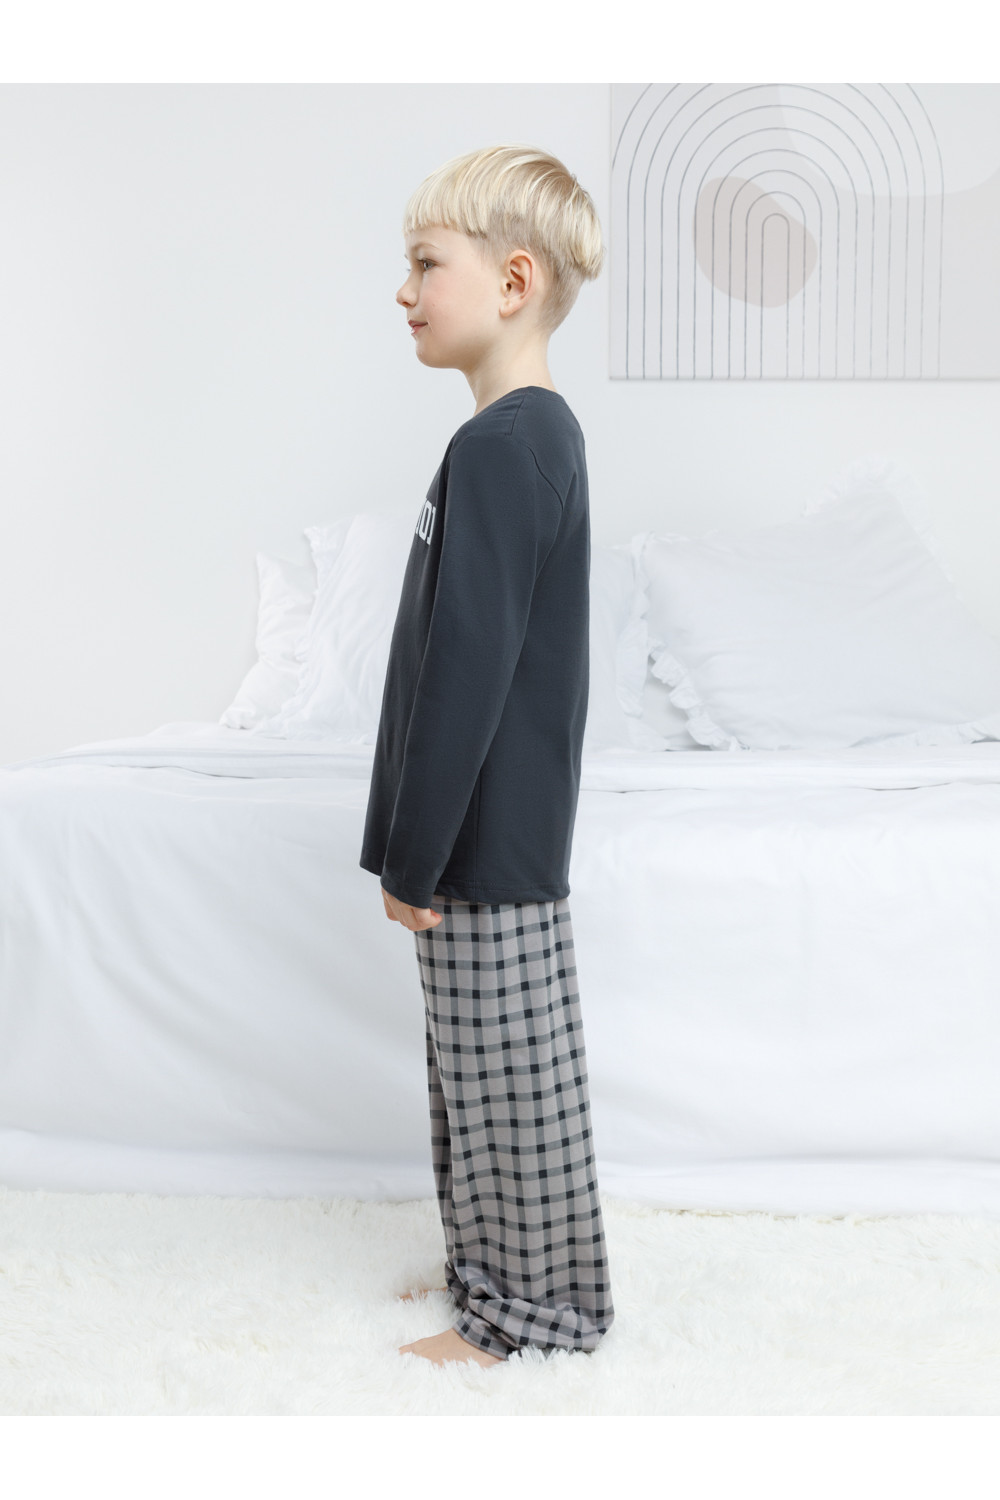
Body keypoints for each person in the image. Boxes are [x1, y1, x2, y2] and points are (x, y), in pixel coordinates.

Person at [359, 143, 615, 1369]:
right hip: (487, 838)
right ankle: (489, 1275)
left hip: (480, 843)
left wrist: (416, 852)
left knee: (505, 1092)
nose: (403, 291)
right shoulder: (519, 438)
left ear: (514, 282)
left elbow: (468, 668)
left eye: (425, 264)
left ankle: (526, 1315)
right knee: (476, 1078)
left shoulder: (506, 446)